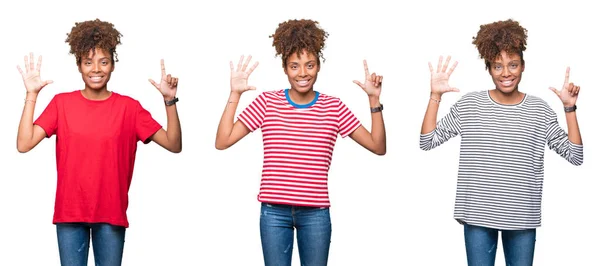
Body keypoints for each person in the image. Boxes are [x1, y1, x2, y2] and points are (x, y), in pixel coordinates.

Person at [215, 19, 386, 266]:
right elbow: (223, 141)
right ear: (285, 68)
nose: (303, 73)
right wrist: (234, 94)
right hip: (274, 212)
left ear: (318, 67)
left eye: (309, 65)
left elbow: (377, 146)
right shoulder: (267, 102)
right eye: (294, 66)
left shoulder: (333, 107)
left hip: (315, 214)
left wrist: (373, 100)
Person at [16, 18, 182, 266]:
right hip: (70, 213)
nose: (96, 69)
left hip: (111, 213)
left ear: (113, 65)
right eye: (88, 62)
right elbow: (24, 143)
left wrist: (169, 101)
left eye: (103, 62)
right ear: (79, 66)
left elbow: (173, 144)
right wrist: (31, 95)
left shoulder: (129, 108)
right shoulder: (62, 104)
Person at [420, 19, 583, 266]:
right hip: (477, 214)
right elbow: (427, 141)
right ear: (488, 68)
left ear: (523, 66)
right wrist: (435, 96)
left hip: (521, 217)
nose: (506, 73)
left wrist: (569, 108)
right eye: (498, 66)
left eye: (513, 65)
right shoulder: (470, 105)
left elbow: (575, 155)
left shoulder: (539, 110)